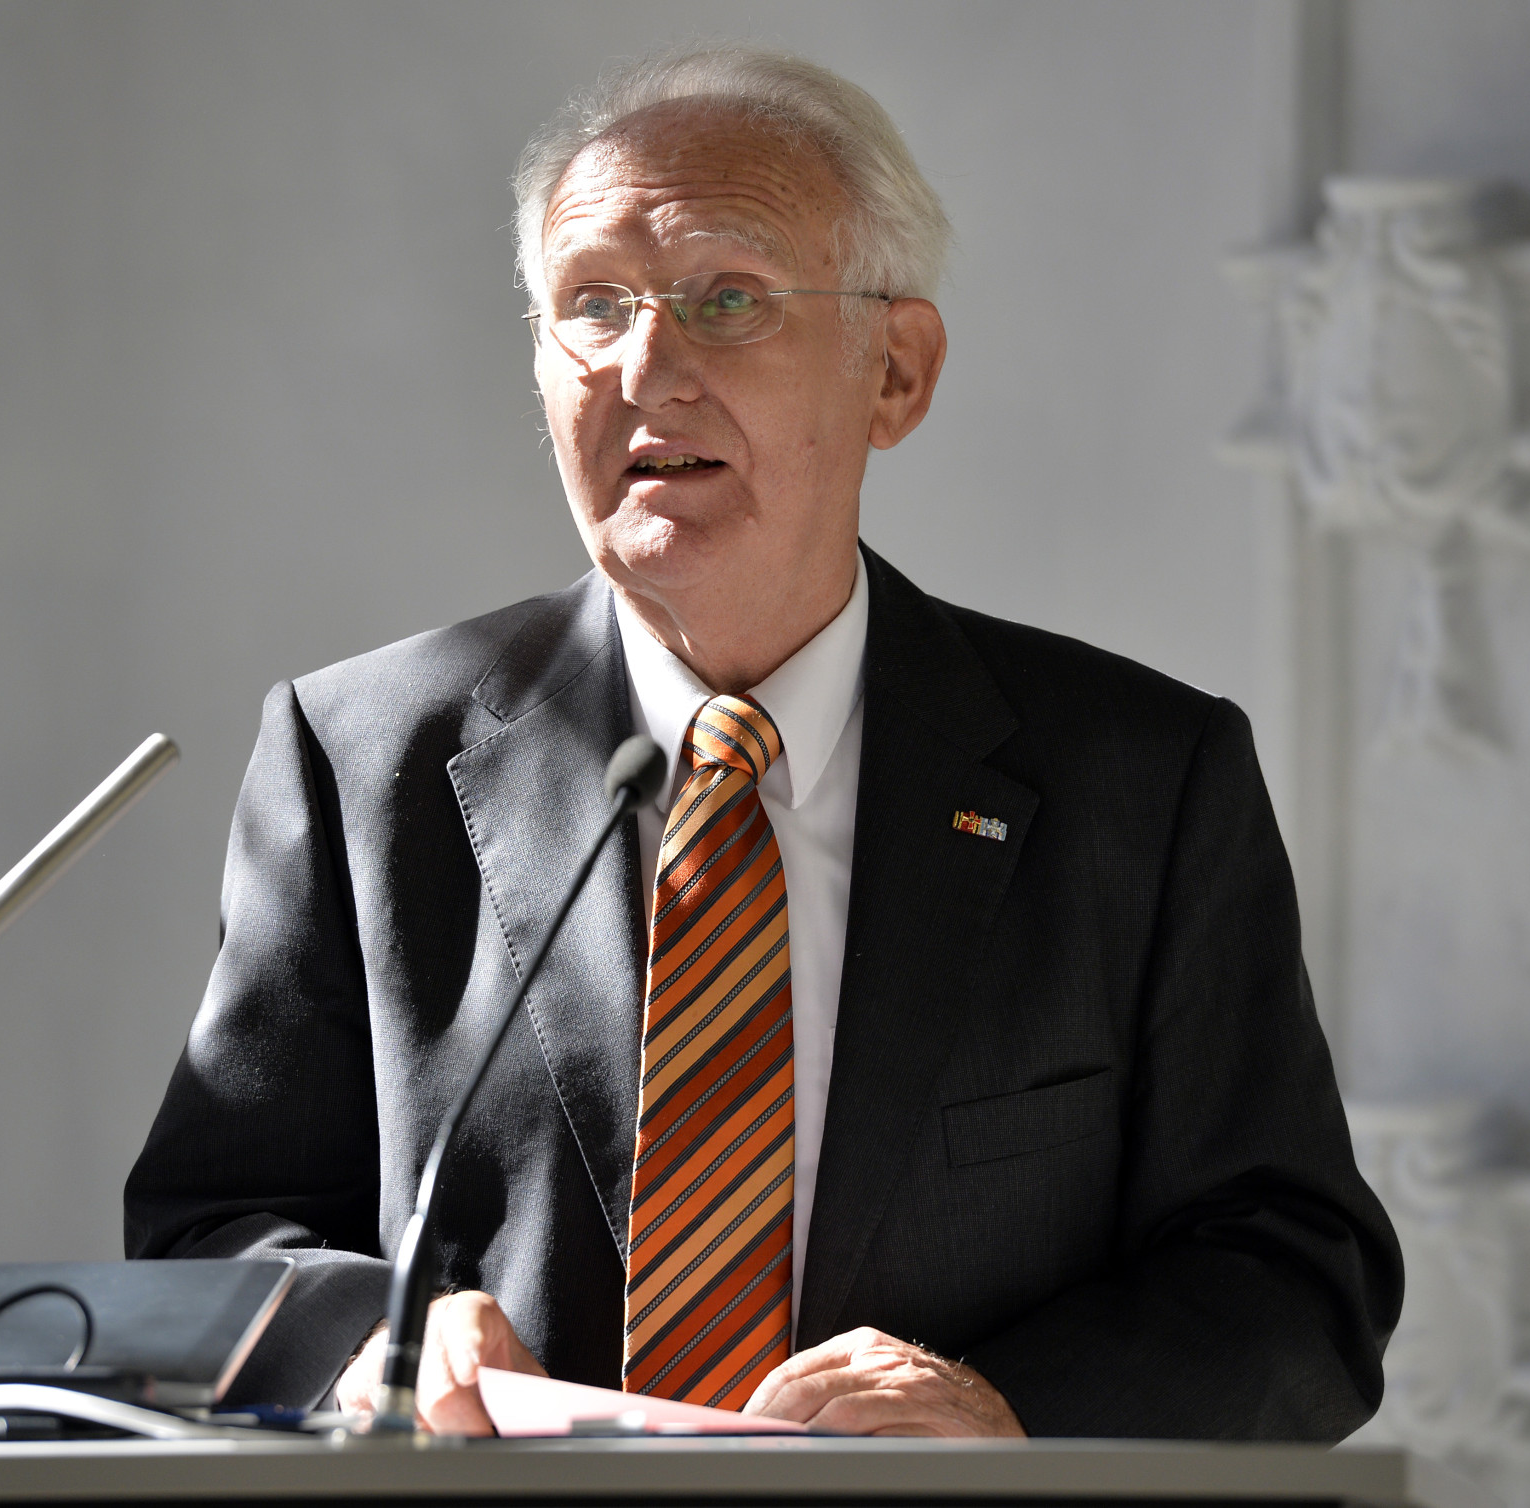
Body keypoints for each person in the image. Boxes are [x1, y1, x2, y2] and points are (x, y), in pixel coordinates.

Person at [124, 45, 1400, 1439]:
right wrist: (382, 1338)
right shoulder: (360, 760)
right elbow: (211, 1229)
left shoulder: (1142, 781)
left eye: (726, 298)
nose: (644, 364)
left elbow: (1296, 1279)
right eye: (590, 307)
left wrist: (1005, 1414)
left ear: (895, 374)